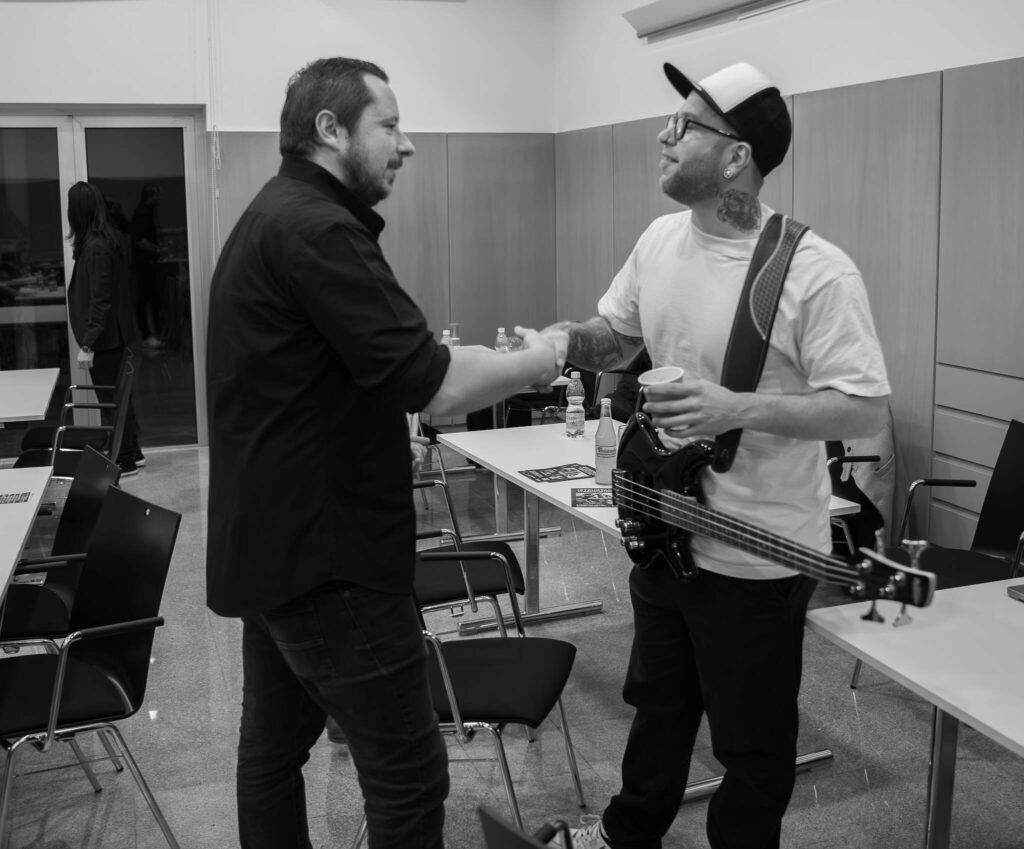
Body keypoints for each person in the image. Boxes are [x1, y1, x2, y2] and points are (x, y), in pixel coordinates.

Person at [205, 57, 563, 849]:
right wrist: (542, 359)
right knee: (408, 775)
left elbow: (389, 363)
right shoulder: (319, 230)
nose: (407, 145)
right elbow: (432, 383)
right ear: (330, 129)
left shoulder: (275, 213)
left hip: (273, 548)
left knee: (271, 753)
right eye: (390, 125)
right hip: (329, 564)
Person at [542, 61, 891, 849]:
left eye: (685, 124)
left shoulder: (812, 271)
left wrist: (736, 408)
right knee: (658, 706)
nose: (663, 135)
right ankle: (627, 834)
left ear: (736, 156)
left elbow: (864, 405)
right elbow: (616, 337)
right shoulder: (660, 239)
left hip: (758, 557)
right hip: (665, 530)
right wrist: (556, 344)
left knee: (751, 747)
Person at [65, 181, 144, 476]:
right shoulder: (104, 240)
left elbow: (101, 301)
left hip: (106, 340)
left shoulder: (97, 247)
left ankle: (124, 459)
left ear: (77, 211)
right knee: (119, 399)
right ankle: (132, 452)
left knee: (112, 401)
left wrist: (87, 344)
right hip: (113, 337)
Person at [130, 183, 165, 348]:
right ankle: (146, 335)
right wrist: (158, 250)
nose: (160, 198)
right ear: (151, 196)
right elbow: (140, 240)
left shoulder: (147, 211)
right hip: (144, 263)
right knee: (144, 299)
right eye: (158, 195)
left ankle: (154, 333)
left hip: (146, 262)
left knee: (150, 298)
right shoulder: (142, 214)